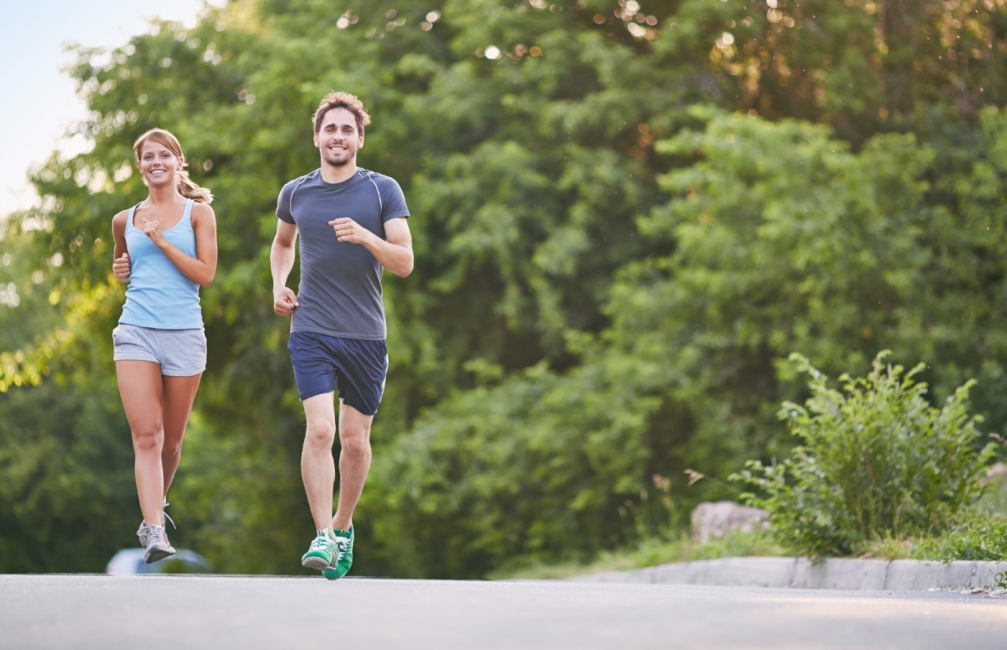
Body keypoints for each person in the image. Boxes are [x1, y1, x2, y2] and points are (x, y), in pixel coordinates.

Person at [271, 91, 413, 579]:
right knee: (321, 430)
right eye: (329, 129)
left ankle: (344, 524)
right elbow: (283, 243)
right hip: (311, 328)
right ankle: (323, 536)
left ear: (359, 138)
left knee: (354, 442)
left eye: (346, 129)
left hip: (366, 335)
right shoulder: (296, 192)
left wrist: (366, 236)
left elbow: (405, 262)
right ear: (317, 137)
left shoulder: (382, 191)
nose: (337, 136)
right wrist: (278, 283)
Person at [110, 128, 217, 563]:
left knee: (171, 443)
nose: (156, 162)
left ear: (178, 161)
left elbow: (205, 274)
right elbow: (122, 263)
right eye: (148, 157)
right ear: (140, 167)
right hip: (135, 330)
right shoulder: (124, 218)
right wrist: (120, 268)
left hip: (185, 334)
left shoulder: (199, 214)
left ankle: (157, 507)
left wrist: (161, 242)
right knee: (147, 436)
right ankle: (154, 529)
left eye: (164, 155)